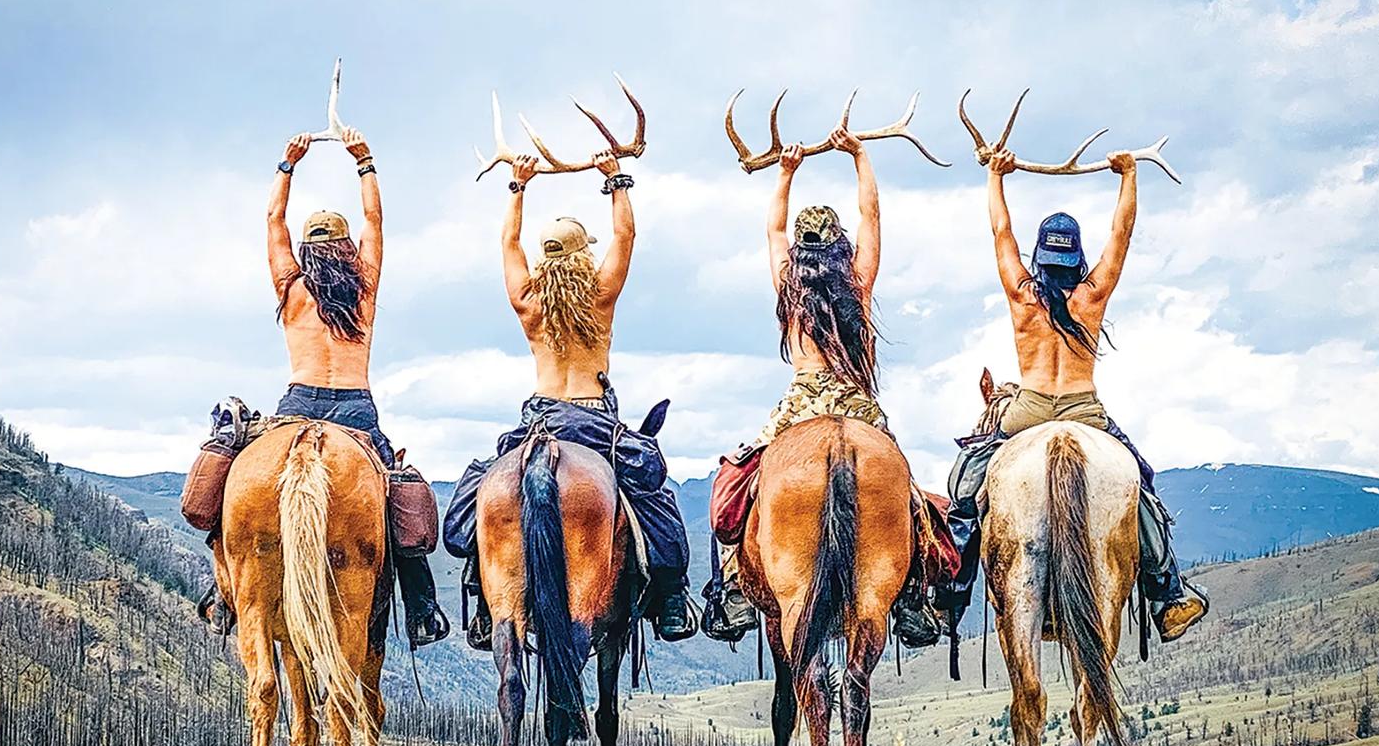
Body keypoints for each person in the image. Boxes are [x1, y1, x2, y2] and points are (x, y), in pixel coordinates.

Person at [198, 128, 450, 651]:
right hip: (355, 411)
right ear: (346, 248)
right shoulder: (364, 287)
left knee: (234, 482)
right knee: (398, 494)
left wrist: (286, 165)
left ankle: (224, 593)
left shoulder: (290, 288)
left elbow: (272, 221)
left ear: (306, 252)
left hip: (296, 408)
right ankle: (423, 608)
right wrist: (365, 161)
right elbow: (376, 221)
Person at [946, 147, 1208, 642]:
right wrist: (1128, 176)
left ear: (1041, 256)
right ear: (1074, 256)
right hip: (1084, 409)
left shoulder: (1023, 296)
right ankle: (1167, 593)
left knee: (964, 489)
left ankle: (948, 597)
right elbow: (1121, 235)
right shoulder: (1091, 296)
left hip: (1026, 411)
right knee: (1142, 489)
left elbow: (1001, 233)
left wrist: (995, 176)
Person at [700, 128, 949, 648]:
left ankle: (734, 585)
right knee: (905, 497)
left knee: (742, 484)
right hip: (857, 405)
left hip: (799, 402)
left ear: (801, 249)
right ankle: (915, 598)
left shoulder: (788, 284)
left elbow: (772, 229)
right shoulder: (857, 279)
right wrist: (860, 157)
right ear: (838, 245)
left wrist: (785, 173)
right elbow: (872, 219)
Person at [444, 151, 696, 649]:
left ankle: (483, 593)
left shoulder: (528, 303)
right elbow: (625, 237)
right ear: (583, 257)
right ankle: (670, 598)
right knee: (653, 496)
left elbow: (508, 242)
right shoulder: (601, 296)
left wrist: (518, 185)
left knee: (486, 489)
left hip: (539, 421)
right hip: (595, 422)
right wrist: (615, 180)